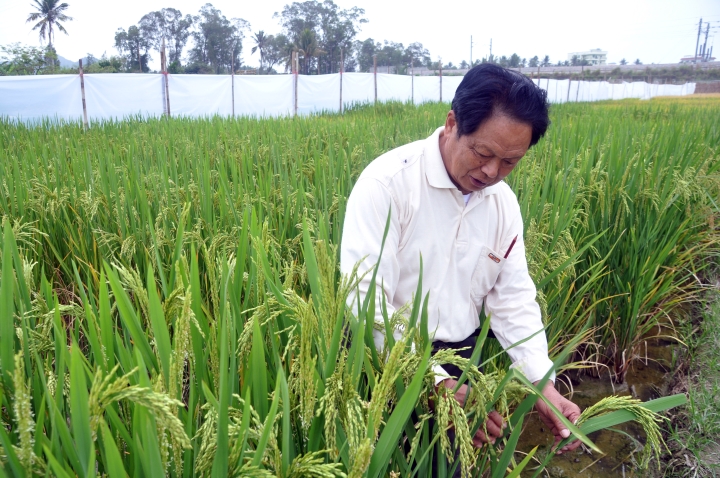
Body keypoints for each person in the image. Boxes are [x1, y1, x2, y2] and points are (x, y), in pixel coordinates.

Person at [339, 63, 581, 467]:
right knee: (380, 463)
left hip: (460, 359)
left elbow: (513, 299)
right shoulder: (387, 185)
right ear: (452, 123)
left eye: (510, 162)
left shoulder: (503, 205)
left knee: (449, 466)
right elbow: (366, 302)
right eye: (483, 153)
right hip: (382, 359)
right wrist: (434, 384)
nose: (492, 172)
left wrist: (543, 385)